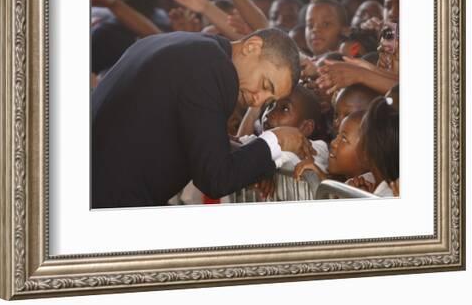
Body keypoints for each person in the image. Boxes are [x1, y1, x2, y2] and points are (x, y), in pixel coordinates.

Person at [91, 28, 312, 208]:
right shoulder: (215, 69)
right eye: (265, 85)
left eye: (268, 100)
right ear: (252, 47)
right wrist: (277, 140)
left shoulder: (187, 46)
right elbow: (215, 177)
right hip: (109, 202)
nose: (257, 100)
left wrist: (261, 162)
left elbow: (194, 139)